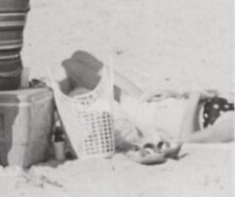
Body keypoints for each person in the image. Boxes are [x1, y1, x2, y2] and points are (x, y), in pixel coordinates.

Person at [60, 52, 234, 148]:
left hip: (144, 116)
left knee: (70, 66)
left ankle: (66, 108)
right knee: (79, 56)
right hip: (153, 102)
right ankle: (77, 96)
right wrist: (176, 94)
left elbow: (187, 139)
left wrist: (194, 99)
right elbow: (204, 96)